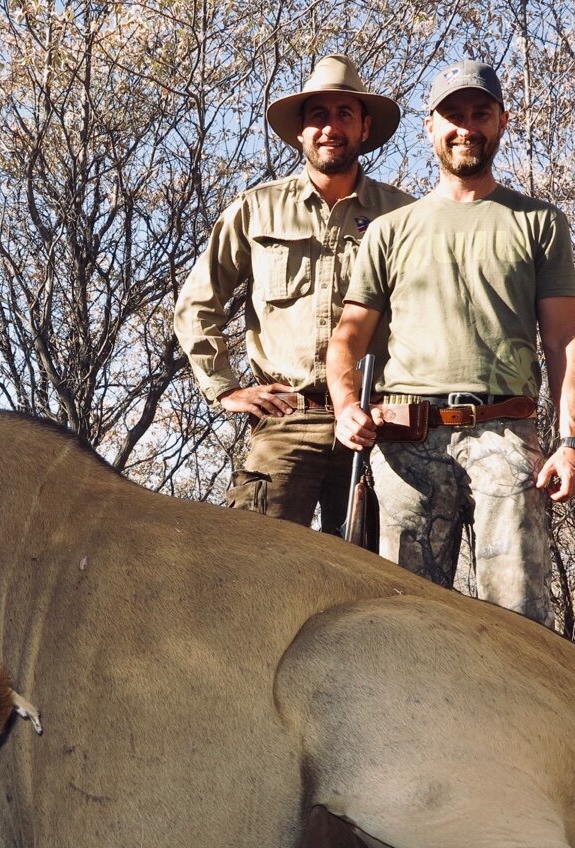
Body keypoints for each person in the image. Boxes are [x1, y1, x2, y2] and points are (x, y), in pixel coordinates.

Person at [326, 60, 575, 625]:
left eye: (479, 113)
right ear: (429, 127)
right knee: (406, 623)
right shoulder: (390, 230)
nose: (465, 127)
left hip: (505, 434)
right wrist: (347, 408)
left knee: (517, 623)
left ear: (501, 123)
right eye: (452, 114)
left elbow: (564, 339)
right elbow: (347, 338)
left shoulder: (539, 221)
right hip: (405, 446)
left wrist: (571, 443)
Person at [175, 55, 412, 535]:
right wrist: (225, 388)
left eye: (345, 114)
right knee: (257, 570)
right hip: (287, 420)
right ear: (300, 131)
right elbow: (198, 303)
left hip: (376, 424)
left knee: (373, 582)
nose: (331, 128)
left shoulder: (404, 215)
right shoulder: (255, 209)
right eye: (318, 116)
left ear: (365, 127)